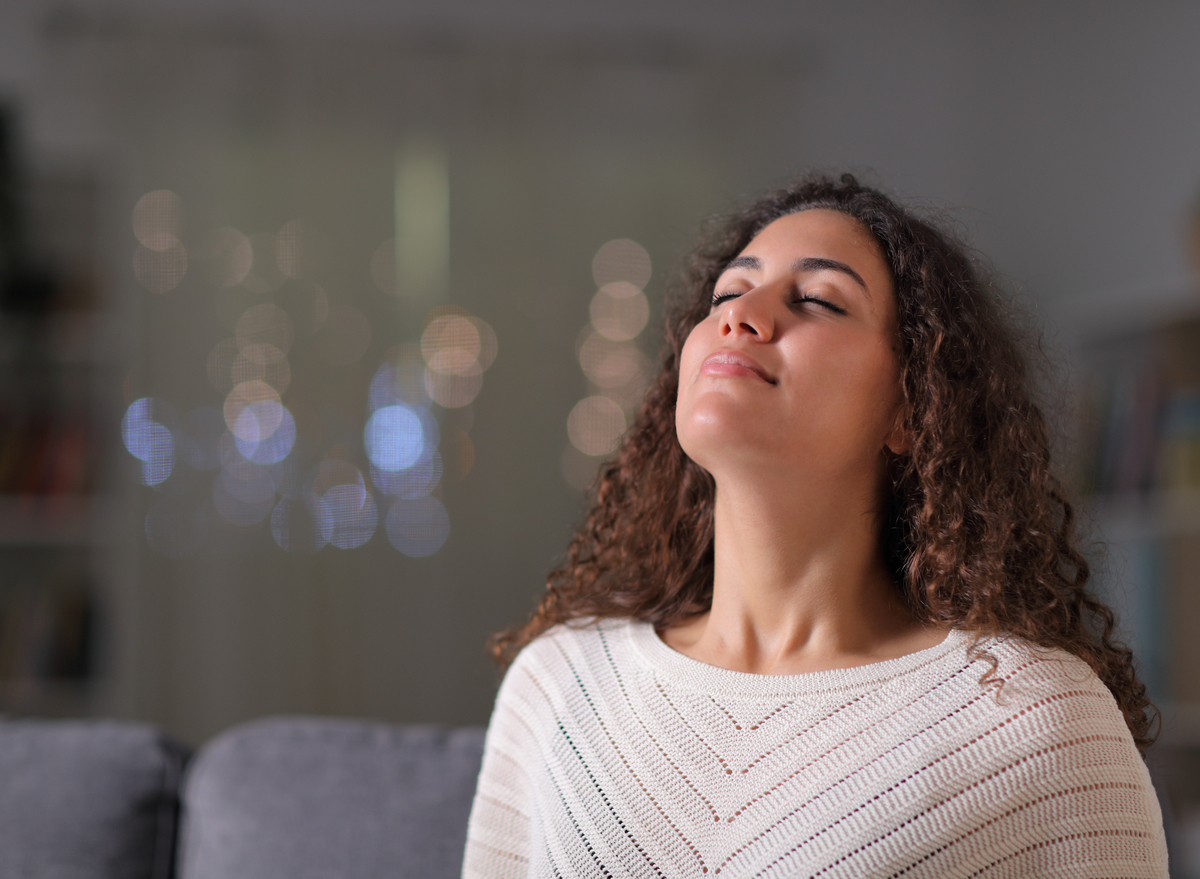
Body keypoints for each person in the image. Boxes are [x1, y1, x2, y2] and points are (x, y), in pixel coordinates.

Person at [461, 174, 1169, 878]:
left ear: (911, 408)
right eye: (727, 294)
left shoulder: (1035, 717)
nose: (744, 316)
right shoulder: (559, 685)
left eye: (818, 300)